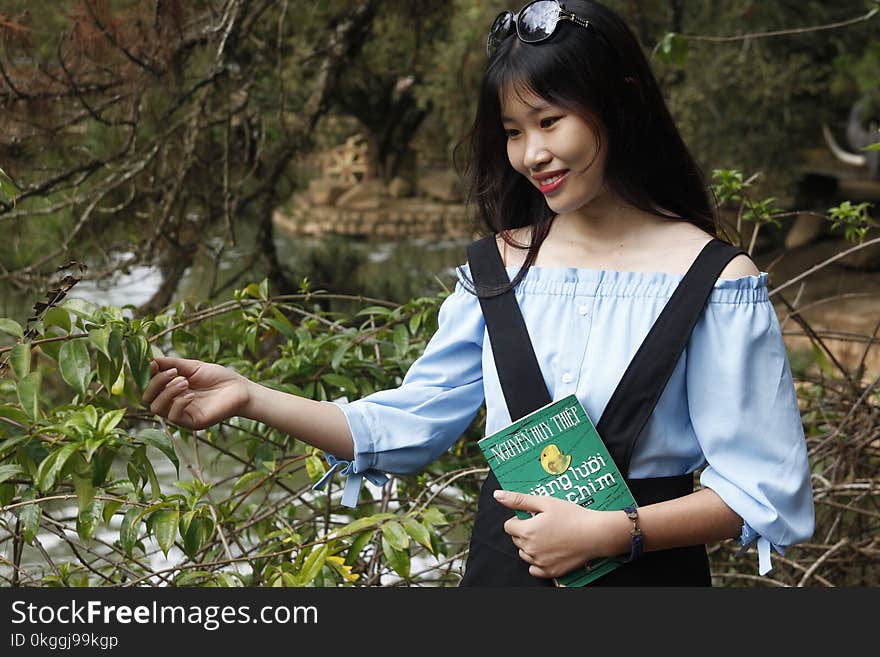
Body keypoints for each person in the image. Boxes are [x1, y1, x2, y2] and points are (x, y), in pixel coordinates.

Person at [142, 0, 814, 586]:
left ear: (622, 101)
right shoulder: (499, 269)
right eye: (514, 132)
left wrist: (613, 532)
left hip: (652, 588)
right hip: (503, 583)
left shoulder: (717, 280)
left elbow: (759, 490)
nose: (531, 155)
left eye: (550, 121)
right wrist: (250, 397)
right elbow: (405, 424)